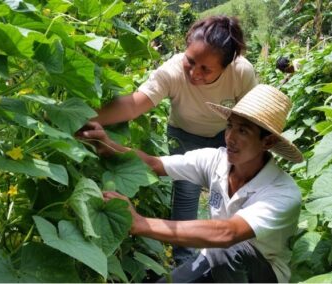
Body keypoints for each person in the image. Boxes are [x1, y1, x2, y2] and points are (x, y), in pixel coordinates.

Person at [77, 84, 303, 282]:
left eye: (243, 130)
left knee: (228, 251)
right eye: (230, 126)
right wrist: (105, 143)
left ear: (268, 141)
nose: (230, 137)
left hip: (260, 274)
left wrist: (141, 223)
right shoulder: (216, 160)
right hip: (215, 257)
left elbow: (228, 233)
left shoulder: (282, 192)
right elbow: (153, 164)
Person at [86, 15, 257, 264]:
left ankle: (236, 254)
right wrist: (84, 118)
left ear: (226, 66)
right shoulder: (173, 70)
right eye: (191, 61)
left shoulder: (242, 72)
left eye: (206, 69)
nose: (194, 73)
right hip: (184, 134)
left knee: (235, 189)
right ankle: (184, 261)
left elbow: (251, 118)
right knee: (187, 191)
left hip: (226, 134)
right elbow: (134, 105)